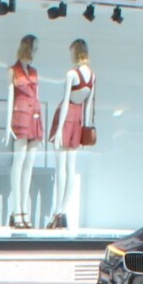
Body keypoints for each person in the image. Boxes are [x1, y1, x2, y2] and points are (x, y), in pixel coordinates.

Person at [48, 40, 95, 230]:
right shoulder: (92, 76)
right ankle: (63, 210)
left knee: (61, 169)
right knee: (71, 169)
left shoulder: (71, 74)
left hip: (66, 118)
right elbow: (88, 105)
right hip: (77, 121)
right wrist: (85, 127)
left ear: (75, 52)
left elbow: (66, 101)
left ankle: (58, 212)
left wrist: (59, 129)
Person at [4, 35, 43, 228]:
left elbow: (37, 97)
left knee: (28, 165)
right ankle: (16, 210)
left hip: (34, 117)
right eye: (34, 48)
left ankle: (23, 210)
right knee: (18, 164)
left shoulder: (34, 73)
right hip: (20, 117)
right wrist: (7, 124)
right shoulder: (13, 71)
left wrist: (40, 122)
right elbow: (10, 97)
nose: (35, 53)